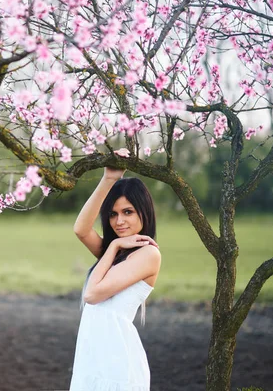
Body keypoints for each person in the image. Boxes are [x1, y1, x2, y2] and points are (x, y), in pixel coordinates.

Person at [69, 167, 161, 391]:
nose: (119, 221)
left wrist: (114, 245)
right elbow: (81, 229)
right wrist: (108, 179)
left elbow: (92, 295)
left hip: (117, 363)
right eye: (113, 214)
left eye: (128, 212)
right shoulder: (114, 254)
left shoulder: (148, 254)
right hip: (92, 357)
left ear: (144, 211)